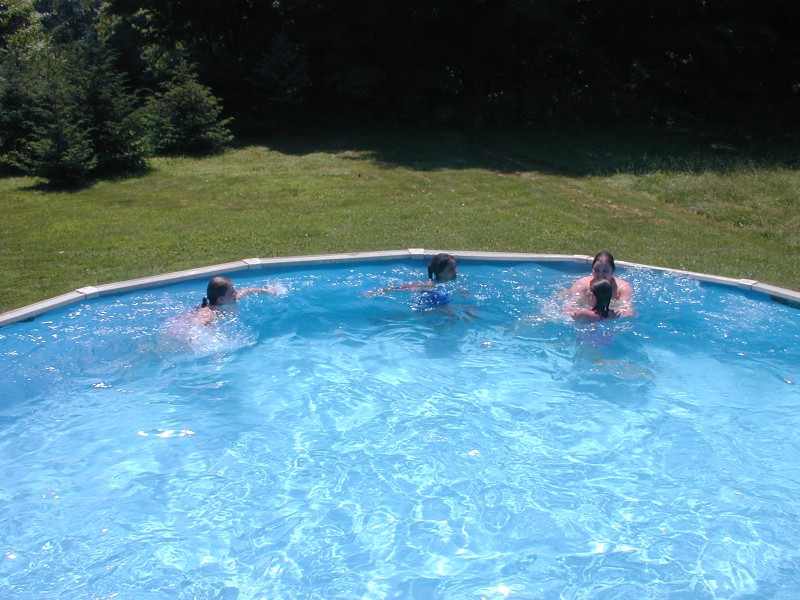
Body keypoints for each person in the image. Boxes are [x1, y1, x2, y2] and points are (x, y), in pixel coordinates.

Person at [364, 253, 458, 308]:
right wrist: (378, 291)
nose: (456, 272)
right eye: (451, 269)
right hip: (426, 311)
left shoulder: (450, 284)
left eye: (455, 268)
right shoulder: (430, 285)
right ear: (439, 272)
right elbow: (403, 287)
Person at [566, 251, 634, 318]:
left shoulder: (622, 288)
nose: (600, 275)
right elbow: (569, 307)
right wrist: (574, 311)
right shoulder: (582, 285)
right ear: (592, 269)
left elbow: (629, 311)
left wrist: (621, 311)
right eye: (596, 270)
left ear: (613, 271)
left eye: (605, 271)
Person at [196, 276, 279, 324]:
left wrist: (267, 291)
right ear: (221, 299)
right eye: (232, 292)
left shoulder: (231, 298)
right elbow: (200, 323)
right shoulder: (210, 312)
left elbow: (248, 291)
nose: (236, 292)